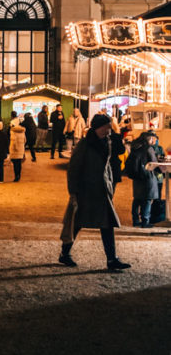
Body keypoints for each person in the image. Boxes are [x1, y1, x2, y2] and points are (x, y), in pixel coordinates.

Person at [58, 112, 130, 272]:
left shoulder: (108, 142)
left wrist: (109, 184)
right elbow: (73, 169)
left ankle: (112, 258)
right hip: (85, 190)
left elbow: (116, 155)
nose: (108, 131)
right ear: (97, 128)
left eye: (109, 128)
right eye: (106, 127)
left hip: (102, 189)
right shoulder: (84, 145)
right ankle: (65, 252)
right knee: (76, 223)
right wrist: (73, 191)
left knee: (107, 224)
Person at [125, 130, 162, 228]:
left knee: (137, 199)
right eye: (152, 139)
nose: (153, 141)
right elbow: (154, 163)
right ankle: (145, 221)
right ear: (149, 138)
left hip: (137, 176)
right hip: (147, 176)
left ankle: (135, 220)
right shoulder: (148, 148)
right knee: (147, 199)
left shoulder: (135, 146)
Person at [9, 115, 26, 182]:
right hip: (21, 149)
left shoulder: (13, 131)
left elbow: (13, 141)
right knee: (19, 163)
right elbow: (25, 140)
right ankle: (19, 175)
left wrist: (13, 148)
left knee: (15, 164)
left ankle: (16, 176)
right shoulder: (22, 130)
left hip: (14, 150)